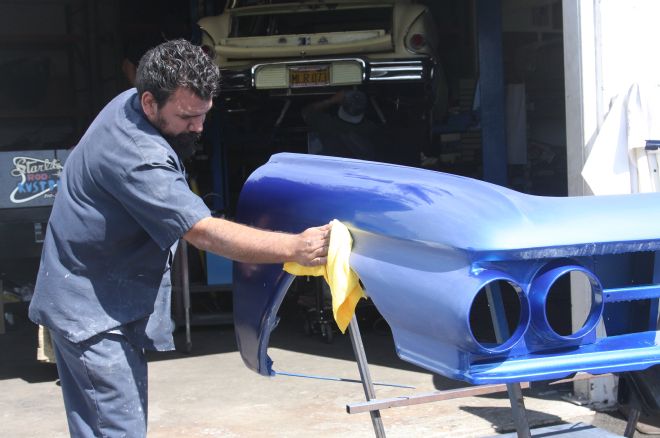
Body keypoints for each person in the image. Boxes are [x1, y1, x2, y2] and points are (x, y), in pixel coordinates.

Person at [28, 39, 331, 438]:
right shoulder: (137, 156)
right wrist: (296, 248)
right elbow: (202, 232)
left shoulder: (133, 102)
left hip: (96, 294)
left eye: (205, 114)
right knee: (115, 430)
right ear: (151, 102)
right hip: (92, 315)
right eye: (188, 116)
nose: (199, 127)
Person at [301, 89, 379, 161]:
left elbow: (306, 112)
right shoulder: (371, 129)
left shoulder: (327, 123)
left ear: (340, 105)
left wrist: (331, 100)